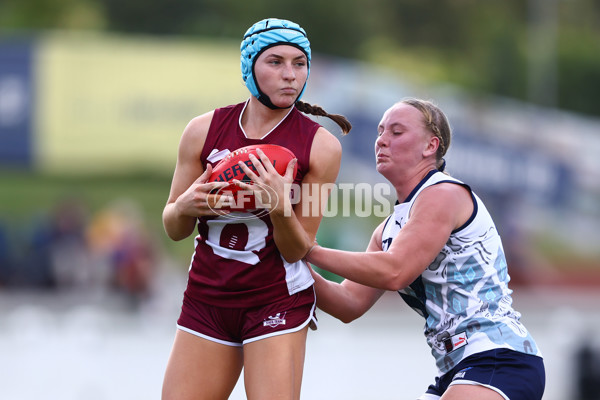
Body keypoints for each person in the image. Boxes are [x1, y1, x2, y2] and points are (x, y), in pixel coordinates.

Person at [303, 98, 545, 400]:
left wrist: (307, 250)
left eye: (396, 131)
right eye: (380, 131)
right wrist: (289, 263)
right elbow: (347, 303)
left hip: (498, 359)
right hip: (456, 370)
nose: (381, 140)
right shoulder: (388, 230)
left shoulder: (443, 194)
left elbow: (395, 272)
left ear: (431, 146)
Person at [161, 18, 351, 400]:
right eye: (275, 62)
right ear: (249, 67)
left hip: (275, 299)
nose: (290, 75)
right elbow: (173, 226)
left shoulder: (321, 146)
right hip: (207, 297)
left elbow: (300, 249)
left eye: (300, 64)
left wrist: (280, 209)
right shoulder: (203, 130)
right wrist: (185, 206)